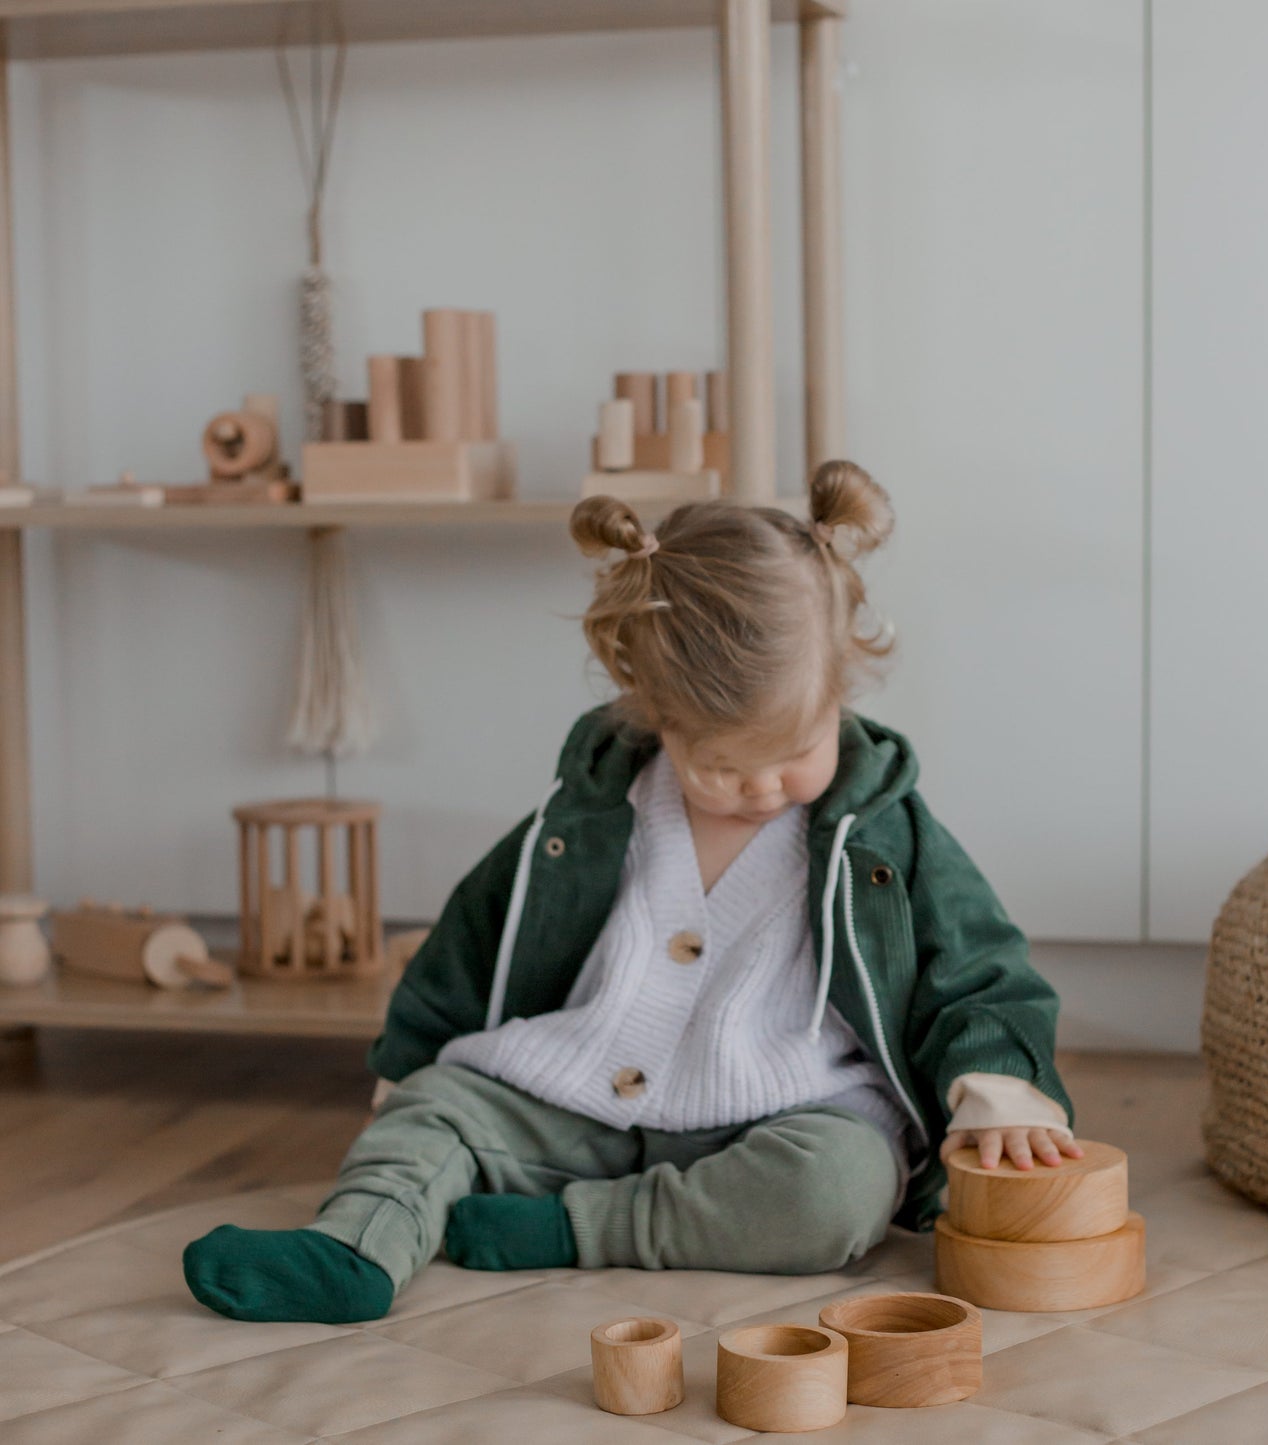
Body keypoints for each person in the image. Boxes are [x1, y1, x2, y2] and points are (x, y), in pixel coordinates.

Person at [183, 460, 1080, 1325]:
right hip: (578, 1099)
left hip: (779, 1119)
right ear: (653, 711)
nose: (764, 787)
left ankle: (584, 1227)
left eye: (794, 751)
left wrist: (995, 1087)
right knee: (435, 1113)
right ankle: (356, 1250)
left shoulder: (880, 832)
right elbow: (472, 939)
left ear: (841, 687)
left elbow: (976, 960)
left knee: (838, 1192)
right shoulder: (595, 813)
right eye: (723, 766)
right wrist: (410, 1067)